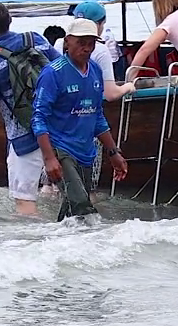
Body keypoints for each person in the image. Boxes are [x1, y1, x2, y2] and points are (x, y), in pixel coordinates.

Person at [0, 1, 61, 215]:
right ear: (10, 19)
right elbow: (63, 69)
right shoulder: (35, 39)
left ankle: (36, 237)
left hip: (24, 138)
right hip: (59, 126)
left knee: (25, 202)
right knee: (67, 192)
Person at [33, 18, 130, 219]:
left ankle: (54, 238)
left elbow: (97, 116)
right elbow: (38, 118)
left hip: (86, 152)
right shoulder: (53, 73)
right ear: (67, 42)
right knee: (81, 206)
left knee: (73, 212)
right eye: (81, 42)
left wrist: (113, 152)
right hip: (61, 149)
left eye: (91, 43)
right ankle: (103, 235)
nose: (86, 48)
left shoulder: (95, 71)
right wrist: (49, 158)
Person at [70, 0, 137, 101]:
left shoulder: (61, 43)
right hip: (87, 105)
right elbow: (110, 94)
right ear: (97, 25)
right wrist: (128, 87)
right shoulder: (100, 50)